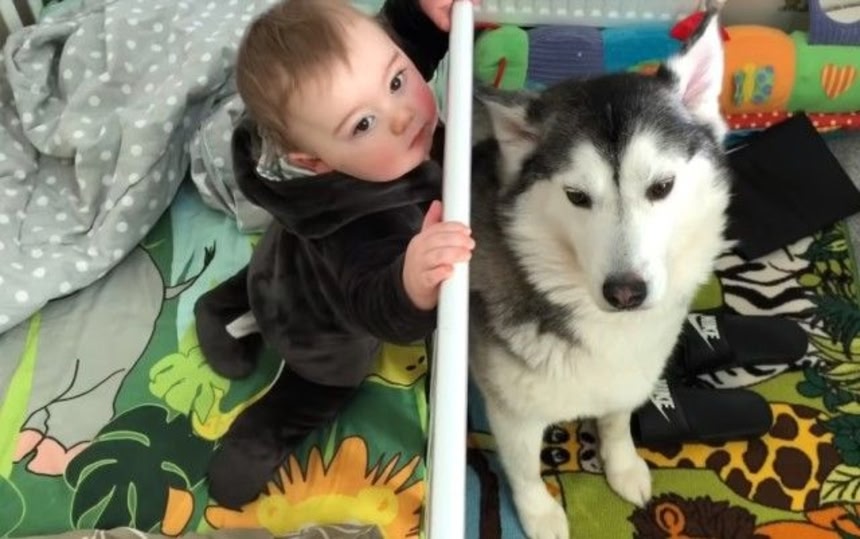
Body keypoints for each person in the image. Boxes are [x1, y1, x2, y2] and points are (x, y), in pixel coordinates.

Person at [194, 0, 474, 509]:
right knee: (323, 383)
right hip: (321, 328)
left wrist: (421, 12)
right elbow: (375, 305)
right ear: (316, 162)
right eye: (362, 125)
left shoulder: (364, 92)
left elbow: (404, 40)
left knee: (264, 274)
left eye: (397, 82)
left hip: (284, 258)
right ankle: (260, 435)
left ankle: (226, 301)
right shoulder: (357, 225)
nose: (404, 115)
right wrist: (410, 283)